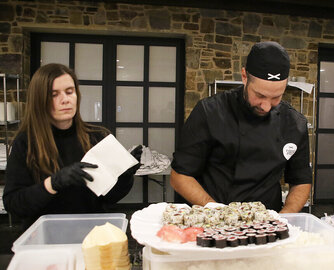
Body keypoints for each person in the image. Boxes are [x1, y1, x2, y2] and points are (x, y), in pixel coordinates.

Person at [170, 41, 311, 213]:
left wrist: (284, 218)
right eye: (259, 95)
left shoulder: (294, 123)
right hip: (212, 217)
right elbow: (180, 176)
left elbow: (301, 180)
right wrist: (216, 211)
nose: (266, 106)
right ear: (244, 76)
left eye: (276, 97)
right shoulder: (210, 112)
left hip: (267, 223)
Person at [3, 63, 142, 230]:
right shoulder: (26, 143)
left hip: (91, 233)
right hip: (45, 238)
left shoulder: (96, 136)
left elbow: (109, 198)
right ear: (40, 100)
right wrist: (53, 183)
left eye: (70, 92)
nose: (65, 99)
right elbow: (13, 205)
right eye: (54, 95)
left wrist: (125, 176)